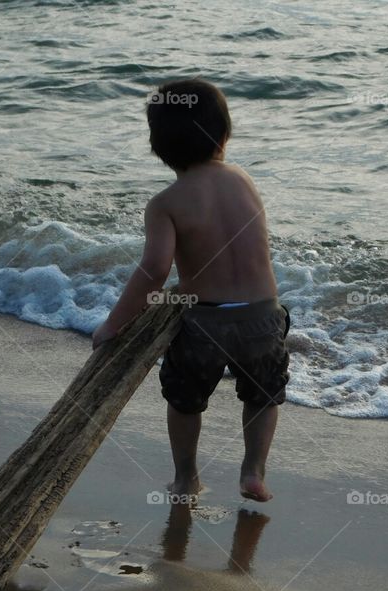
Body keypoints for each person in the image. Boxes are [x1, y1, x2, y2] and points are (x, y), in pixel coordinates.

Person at [92, 78, 290, 502]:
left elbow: (154, 270)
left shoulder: (166, 203)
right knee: (263, 394)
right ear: (224, 134)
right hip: (263, 315)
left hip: (204, 322)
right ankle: (253, 471)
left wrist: (114, 324)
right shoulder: (243, 180)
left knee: (185, 400)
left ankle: (186, 478)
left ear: (158, 147)